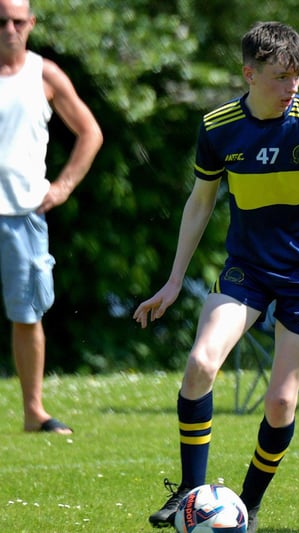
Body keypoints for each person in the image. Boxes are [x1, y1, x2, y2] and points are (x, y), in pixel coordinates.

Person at [133, 22, 299, 533]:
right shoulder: (218, 128)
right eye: (280, 77)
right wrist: (172, 281)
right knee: (201, 363)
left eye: (297, 76)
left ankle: (245, 508)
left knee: (279, 401)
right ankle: (191, 491)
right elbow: (200, 203)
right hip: (247, 268)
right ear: (248, 74)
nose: (291, 88)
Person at [0, 0, 103, 435]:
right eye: (1, 20)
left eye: (17, 21)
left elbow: (90, 132)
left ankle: (33, 412)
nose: (9, 28)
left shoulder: (44, 74)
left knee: (27, 315)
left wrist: (61, 188)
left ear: (31, 25)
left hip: (23, 212)